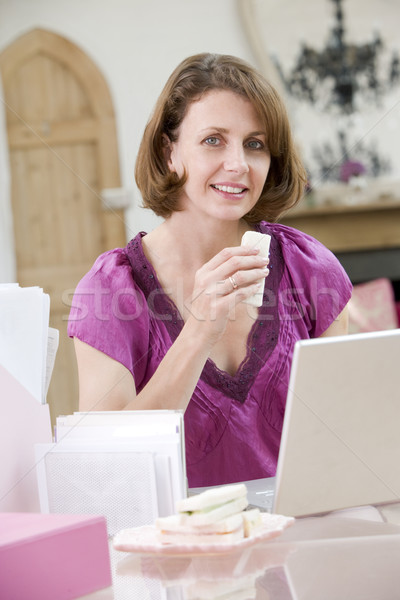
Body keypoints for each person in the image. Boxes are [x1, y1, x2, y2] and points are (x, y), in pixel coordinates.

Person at [68, 53, 352, 488]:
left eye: (254, 144)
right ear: (170, 152)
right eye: (214, 140)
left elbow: (344, 439)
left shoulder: (309, 267)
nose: (238, 164)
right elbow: (108, 473)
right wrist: (198, 332)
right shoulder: (110, 291)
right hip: (181, 543)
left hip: (305, 534)